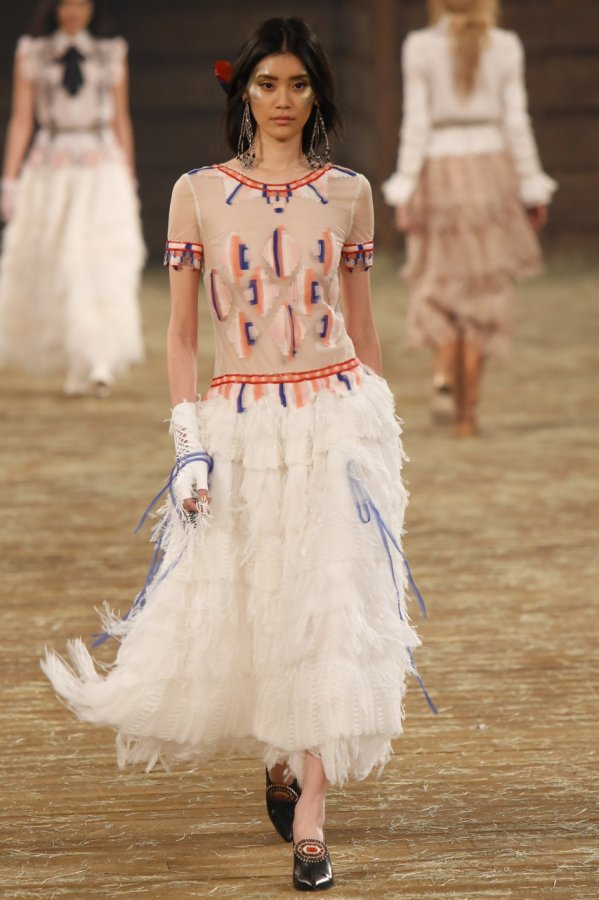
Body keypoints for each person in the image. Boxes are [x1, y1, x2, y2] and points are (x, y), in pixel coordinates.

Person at [42, 17, 431, 892]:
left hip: (335, 418)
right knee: (261, 601)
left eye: (297, 84)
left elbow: (362, 324)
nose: (282, 101)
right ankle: (281, 754)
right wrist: (187, 446)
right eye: (267, 84)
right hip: (241, 423)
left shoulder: (349, 193)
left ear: (316, 93)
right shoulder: (198, 194)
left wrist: (381, 434)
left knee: (331, 604)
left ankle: (312, 817)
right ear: (243, 92)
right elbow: (182, 333)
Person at [382, 0, 556, 436]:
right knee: (485, 287)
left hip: (437, 170)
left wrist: (405, 187)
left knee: (438, 277)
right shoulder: (505, 45)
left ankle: (445, 363)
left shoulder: (420, 46)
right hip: (491, 171)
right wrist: (531, 187)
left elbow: (415, 124)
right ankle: (467, 415)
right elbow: (516, 122)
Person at [0, 0, 144, 397]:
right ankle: (74, 356)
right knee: (59, 260)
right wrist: (9, 180)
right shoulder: (34, 53)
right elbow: (22, 119)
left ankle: (99, 357)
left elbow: (120, 118)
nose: (73, 10)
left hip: (101, 167)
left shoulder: (110, 53)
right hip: (52, 166)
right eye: (66, 2)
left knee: (99, 260)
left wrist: (129, 176)